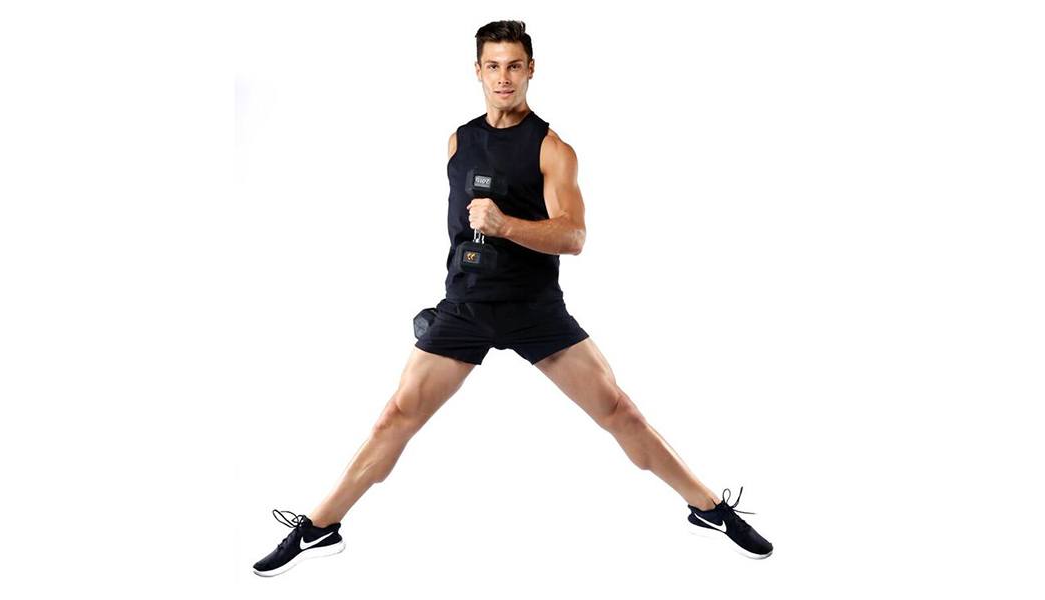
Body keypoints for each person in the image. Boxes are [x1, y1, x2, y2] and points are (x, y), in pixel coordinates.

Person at [252, 20, 773, 577]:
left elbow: (573, 236)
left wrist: (504, 226)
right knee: (392, 419)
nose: (504, 77)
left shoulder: (553, 149)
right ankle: (320, 526)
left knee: (620, 411)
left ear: (531, 69)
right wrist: (453, 290)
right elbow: (458, 229)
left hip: (534, 311)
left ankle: (710, 509)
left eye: (514, 65)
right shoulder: (458, 140)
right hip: (465, 309)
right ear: (477, 71)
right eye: (493, 66)